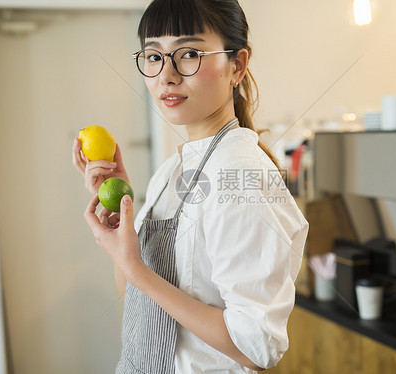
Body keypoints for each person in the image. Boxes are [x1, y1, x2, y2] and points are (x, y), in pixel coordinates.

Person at [72, 0, 309, 373]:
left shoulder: (241, 177)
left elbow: (255, 348)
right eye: (153, 56)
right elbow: (140, 302)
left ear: (237, 65)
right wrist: (122, 212)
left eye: (190, 53)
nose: (165, 75)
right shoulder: (172, 171)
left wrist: (138, 270)